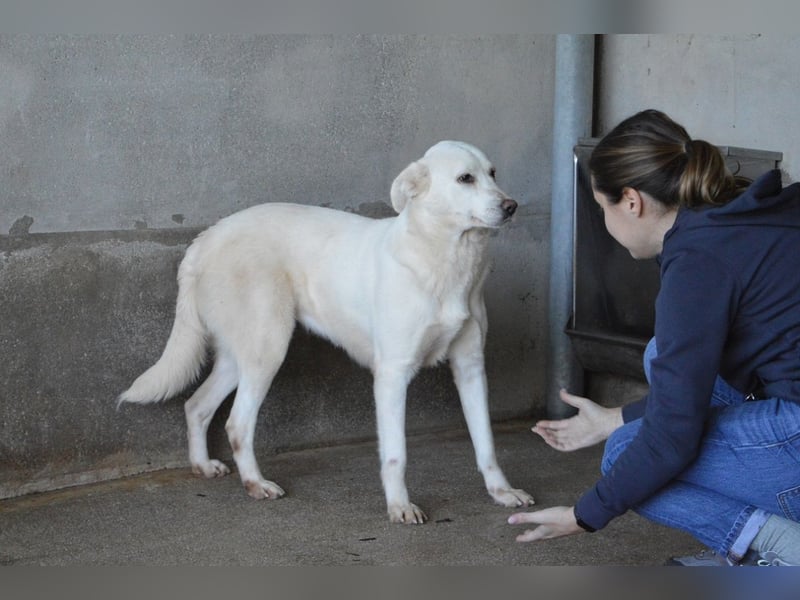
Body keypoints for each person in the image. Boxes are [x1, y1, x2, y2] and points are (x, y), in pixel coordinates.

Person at [508, 109, 800, 566]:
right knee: (659, 356)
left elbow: (671, 439)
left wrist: (584, 515)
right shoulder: (748, 212)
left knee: (626, 456)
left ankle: (786, 551)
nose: (605, 221)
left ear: (631, 201)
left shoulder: (698, 263)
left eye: (602, 207)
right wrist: (615, 417)